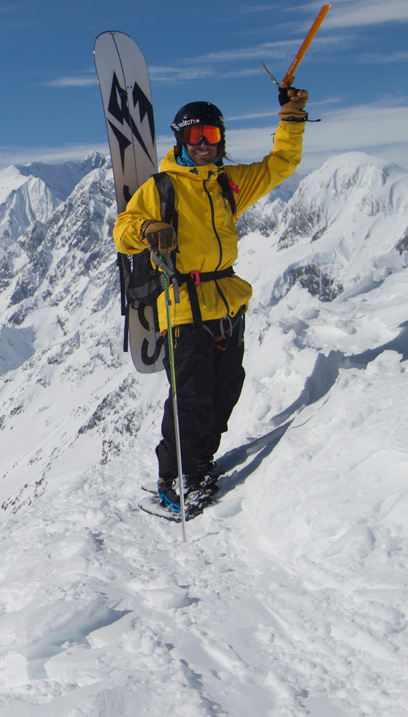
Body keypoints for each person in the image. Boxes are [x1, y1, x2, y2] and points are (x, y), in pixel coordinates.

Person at [113, 86, 309, 515]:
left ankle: (200, 464)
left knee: (224, 391)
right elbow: (122, 230)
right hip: (183, 304)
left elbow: (281, 165)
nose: (203, 144)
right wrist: (147, 230)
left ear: (222, 139)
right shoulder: (162, 187)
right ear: (181, 140)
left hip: (227, 301)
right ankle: (177, 479)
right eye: (195, 135)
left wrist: (291, 121)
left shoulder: (229, 183)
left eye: (212, 135)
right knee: (191, 396)